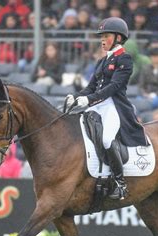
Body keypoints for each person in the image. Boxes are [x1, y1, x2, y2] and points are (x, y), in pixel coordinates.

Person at [65, 17, 147, 200]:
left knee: (108, 139)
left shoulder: (125, 59)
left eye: (106, 36)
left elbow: (114, 87)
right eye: (101, 37)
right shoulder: (102, 62)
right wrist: (76, 96)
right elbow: (91, 87)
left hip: (113, 106)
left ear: (118, 38)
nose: (102, 40)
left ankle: (120, 183)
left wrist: (89, 99)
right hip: (97, 104)